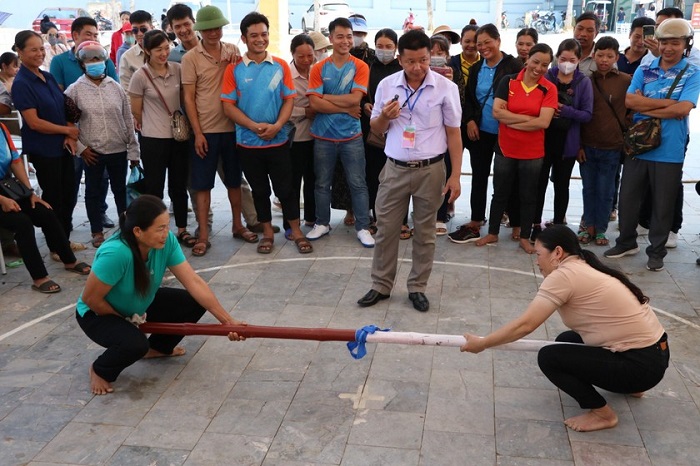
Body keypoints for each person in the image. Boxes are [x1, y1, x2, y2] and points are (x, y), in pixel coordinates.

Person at [461, 225, 670, 432]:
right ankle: (633, 387)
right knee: (566, 340)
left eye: (539, 254)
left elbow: (525, 326)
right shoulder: (584, 264)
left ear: (557, 253)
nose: (537, 261)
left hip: (640, 366)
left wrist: (483, 343)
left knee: (550, 357)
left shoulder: (564, 275)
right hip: (655, 356)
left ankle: (602, 414)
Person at [75, 195, 246, 395]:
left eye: (167, 226)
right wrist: (126, 321)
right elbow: (91, 299)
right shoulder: (116, 253)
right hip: (99, 313)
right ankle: (100, 369)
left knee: (192, 303)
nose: (166, 233)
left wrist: (227, 321)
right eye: (160, 229)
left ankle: (156, 348)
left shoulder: (167, 242)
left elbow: (194, 282)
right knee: (134, 343)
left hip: (139, 303)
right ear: (138, 231)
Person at [357, 29, 462, 312]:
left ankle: (417, 287)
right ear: (400, 59)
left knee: (425, 232)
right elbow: (376, 129)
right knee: (386, 229)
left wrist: (455, 176)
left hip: (431, 170)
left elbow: (454, 133)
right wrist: (384, 117)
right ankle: (380, 285)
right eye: (411, 61)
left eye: (424, 60)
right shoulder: (387, 85)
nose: (418, 67)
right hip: (394, 169)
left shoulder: (445, 88)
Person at [605, 19, 700, 272]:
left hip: (670, 148)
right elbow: (630, 101)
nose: (669, 48)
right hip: (639, 145)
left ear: (685, 44)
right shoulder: (645, 69)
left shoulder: (692, 72)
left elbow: (684, 107)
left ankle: (656, 252)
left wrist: (648, 104)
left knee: (663, 203)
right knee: (628, 197)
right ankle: (626, 242)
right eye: (664, 42)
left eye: (675, 43)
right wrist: (668, 107)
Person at [221, 13, 310, 256]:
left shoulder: (280, 65)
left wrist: (278, 125)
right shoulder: (234, 69)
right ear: (244, 38)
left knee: (286, 188)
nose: (260, 39)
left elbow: (289, 100)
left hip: (278, 140)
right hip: (248, 144)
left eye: (264, 34)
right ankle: (268, 233)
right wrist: (252, 126)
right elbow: (228, 106)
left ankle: (297, 231)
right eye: (254, 35)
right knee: (260, 190)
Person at [182, 5, 256, 257]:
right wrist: (198, 133)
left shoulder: (233, 51)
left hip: (233, 128)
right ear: (200, 30)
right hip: (206, 130)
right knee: (202, 185)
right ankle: (203, 234)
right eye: (208, 28)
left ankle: (238, 225)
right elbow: (189, 99)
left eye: (218, 27)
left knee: (234, 181)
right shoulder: (190, 58)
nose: (214, 32)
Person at [474, 43, 557, 253]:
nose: (539, 68)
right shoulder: (508, 81)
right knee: (500, 192)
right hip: (505, 148)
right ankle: (492, 233)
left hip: (533, 152)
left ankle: (525, 237)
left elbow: (544, 123)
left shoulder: (549, 88)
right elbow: (496, 113)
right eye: (536, 62)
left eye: (545, 65)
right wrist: (530, 119)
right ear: (527, 59)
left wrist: (511, 120)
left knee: (529, 195)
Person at [448, 23, 522, 244]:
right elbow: (469, 98)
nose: (483, 47)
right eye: (479, 44)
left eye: (487, 42)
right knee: (479, 177)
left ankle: (515, 221)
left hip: (505, 133)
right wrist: (470, 120)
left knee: (506, 180)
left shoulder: (513, 65)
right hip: (481, 131)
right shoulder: (478, 67)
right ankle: (477, 219)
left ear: (498, 40)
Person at [12, 30, 83, 250]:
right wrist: (65, 131)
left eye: (41, 48)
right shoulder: (22, 83)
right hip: (45, 150)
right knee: (54, 198)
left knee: (69, 194)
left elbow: (64, 107)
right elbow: (34, 122)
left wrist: (69, 131)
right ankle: (56, 246)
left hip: (63, 147)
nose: (39, 53)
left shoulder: (47, 76)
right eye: (33, 49)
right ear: (20, 52)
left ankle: (64, 239)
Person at [306, 17, 374, 248]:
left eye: (348, 36)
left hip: (351, 137)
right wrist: (342, 105)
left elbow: (356, 98)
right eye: (340, 36)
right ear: (331, 38)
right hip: (323, 137)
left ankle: (363, 227)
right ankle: (322, 223)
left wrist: (323, 97)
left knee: (358, 183)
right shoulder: (318, 68)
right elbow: (314, 105)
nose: (345, 41)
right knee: (322, 184)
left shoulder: (360, 66)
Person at [0, 122, 91, 293]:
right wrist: (2, 200)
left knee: (45, 212)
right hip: (2, 196)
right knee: (22, 223)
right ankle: (39, 277)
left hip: (7, 187)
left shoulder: (2, 129)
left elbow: (16, 162)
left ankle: (69, 260)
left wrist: (29, 193)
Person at [65, 41, 139, 249]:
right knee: (93, 192)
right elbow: (69, 124)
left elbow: (127, 120)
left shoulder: (116, 88)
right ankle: (96, 232)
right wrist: (81, 149)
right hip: (92, 152)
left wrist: (133, 150)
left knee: (120, 191)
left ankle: (126, 229)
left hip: (118, 149)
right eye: (90, 60)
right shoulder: (74, 91)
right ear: (82, 64)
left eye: (98, 59)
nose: (95, 63)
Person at [49, 17, 118, 234]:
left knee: (102, 179)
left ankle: (100, 212)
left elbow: (115, 90)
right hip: (75, 132)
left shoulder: (105, 61)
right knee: (72, 178)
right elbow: (58, 96)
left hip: (103, 132)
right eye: (88, 34)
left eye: (96, 35)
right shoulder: (59, 62)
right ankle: (65, 221)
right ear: (75, 35)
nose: (92, 39)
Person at [129, 30, 193, 249]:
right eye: (158, 50)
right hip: (153, 139)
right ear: (147, 51)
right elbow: (136, 111)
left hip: (178, 137)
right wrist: (149, 123)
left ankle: (182, 229)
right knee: (155, 187)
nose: (164, 53)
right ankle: (155, 231)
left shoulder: (177, 69)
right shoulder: (140, 76)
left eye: (167, 48)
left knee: (179, 185)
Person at [533, 39, 593, 238]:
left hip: (567, 142)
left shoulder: (583, 82)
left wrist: (566, 111)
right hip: (542, 140)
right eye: (563, 58)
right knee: (539, 184)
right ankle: (535, 225)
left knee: (561, 184)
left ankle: (558, 225)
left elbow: (587, 114)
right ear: (557, 58)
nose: (567, 63)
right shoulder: (547, 77)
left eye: (572, 59)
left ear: (579, 60)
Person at [578, 37, 631, 247]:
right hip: (588, 146)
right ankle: (588, 225)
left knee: (606, 190)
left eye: (610, 56)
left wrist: (623, 134)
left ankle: (600, 230)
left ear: (617, 57)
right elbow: (580, 117)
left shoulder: (626, 80)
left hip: (612, 147)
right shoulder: (584, 81)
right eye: (600, 55)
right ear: (593, 55)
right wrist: (579, 145)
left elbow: (632, 110)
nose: (604, 60)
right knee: (588, 188)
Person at [362, 29, 404, 236]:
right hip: (373, 131)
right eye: (380, 46)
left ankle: (401, 220)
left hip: (399, 131)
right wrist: (365, 106)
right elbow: (360, 94)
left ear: (396, 49)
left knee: (399, 177)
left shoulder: (402, 69)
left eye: (389, 47)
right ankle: (375, 216)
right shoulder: (368, 67)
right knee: (374, 174)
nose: (384, 50)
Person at [288, 34, 317, 229]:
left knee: (313, 180)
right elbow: (282, 107)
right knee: (292, 182)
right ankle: (291, 224)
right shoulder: (286, 76)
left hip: (316, 136)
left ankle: (312, 218)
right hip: (295, 138)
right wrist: (305, 111)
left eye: (310, 56)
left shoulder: (319, 72)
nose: (306, 61)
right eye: (301, 57)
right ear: (293, 54)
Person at [119, 10, 154, 92]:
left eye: (143, 29)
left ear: (152, 28)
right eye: (135, 30)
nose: (139, 34)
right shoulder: (127, 58)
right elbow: (126, 90)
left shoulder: (168, 51)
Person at [573, 12, 602, 76]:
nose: (583, 34)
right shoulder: (561, 55)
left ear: (596, 34)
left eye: (589, 30)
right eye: (580, 29)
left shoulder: (603, 58)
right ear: (574, 29)